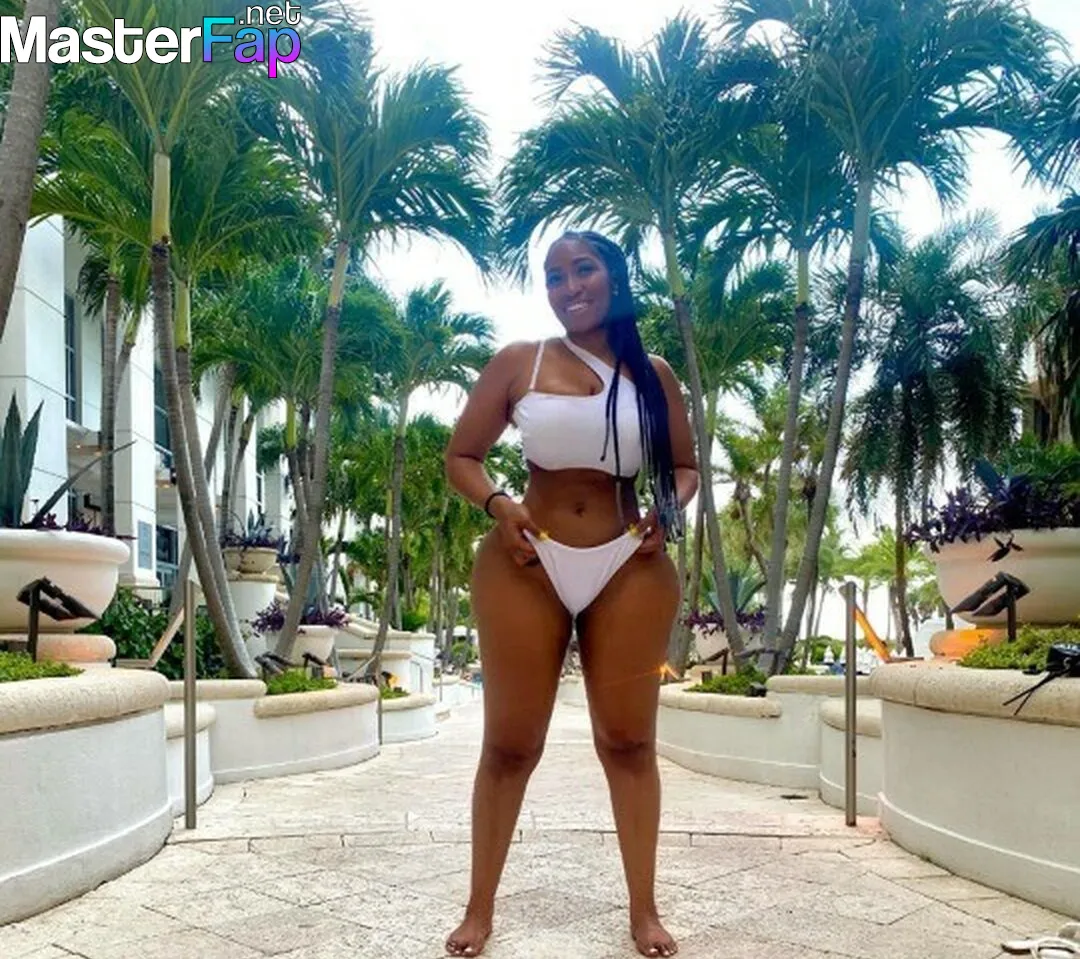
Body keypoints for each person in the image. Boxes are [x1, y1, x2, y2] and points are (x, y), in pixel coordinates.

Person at [443, 230, 700, 958]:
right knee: (510, 744)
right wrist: (499, 505)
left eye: (582, 269)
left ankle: (644, 909)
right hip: (528, 561)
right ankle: (479, 908)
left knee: (629, 741)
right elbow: (461, 456)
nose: (568, 286)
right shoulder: (519, 362)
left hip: (629, 562)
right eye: (554, 276)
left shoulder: (652, 374)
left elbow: (685, 467)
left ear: (614, 276)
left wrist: (668, 513)